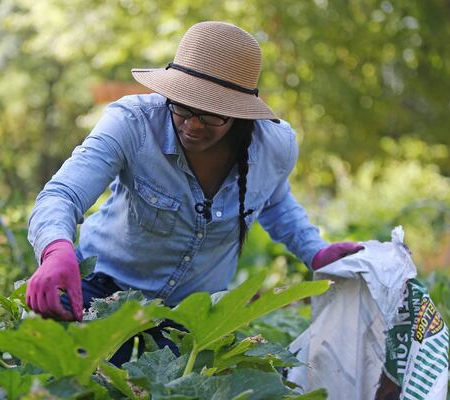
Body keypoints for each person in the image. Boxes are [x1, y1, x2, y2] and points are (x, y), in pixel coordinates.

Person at [25, 21, 363, 365]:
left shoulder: (275, 146)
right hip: (103, 295)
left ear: (240, 113)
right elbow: (62, 194)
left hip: (192, 318)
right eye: (182, 107)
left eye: (210, 115)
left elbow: (274, 202)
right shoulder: (133, 124)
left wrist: (315, 252)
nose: (193, 124)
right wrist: (56, 249)